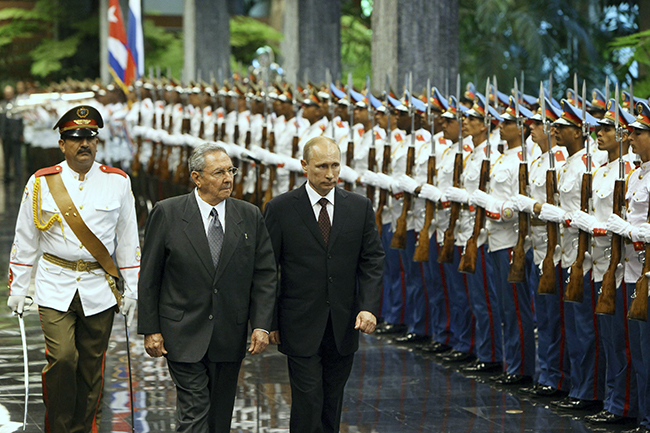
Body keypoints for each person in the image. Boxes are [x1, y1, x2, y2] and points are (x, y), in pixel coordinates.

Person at [6, 105, 140, 433]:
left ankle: (84, 428)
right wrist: (18, 287)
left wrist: (133, 289)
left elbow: (128, 240)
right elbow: (25, 237)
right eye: (76, 138)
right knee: (63, 358)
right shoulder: (41, 183)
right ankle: (59, 427)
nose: (84, 144)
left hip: (99, 286)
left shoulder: (118, 182)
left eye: (90, 138)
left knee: (92, 368)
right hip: (55, 284)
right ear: (62, 144)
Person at [137, 143, 277, 433]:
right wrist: (150, 329)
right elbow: (150, 276)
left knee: (219, 418)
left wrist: (261, 325)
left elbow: (265, 275)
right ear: (197, 178)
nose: (228, 178)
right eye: (218, 172)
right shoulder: (168, 212)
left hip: (229, 334)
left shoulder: (249, 215)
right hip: (182, 332)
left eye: (230, 171)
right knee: (194, 411)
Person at [263, 136, 384, 432]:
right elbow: (267, 269)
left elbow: (372, 260)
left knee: (332, 400)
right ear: (304, 166)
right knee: (307, 399)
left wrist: (368, 307)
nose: (330, 174)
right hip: (299, 322)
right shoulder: (280, 208)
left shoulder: (359, 207)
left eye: (335, 166)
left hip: (343, 323)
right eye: (321, 167)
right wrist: (269, 321)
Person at [0, 84, 25, 182]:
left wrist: (21, 134)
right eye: (6, 93)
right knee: (6, 156)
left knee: (16, 157)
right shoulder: (2, 105)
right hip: (5, 135)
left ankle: (18, 176)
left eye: (9, 93)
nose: (8, 95)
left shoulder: (17, 104)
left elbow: (21, 121)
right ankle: (7, 175)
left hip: (15, 135)